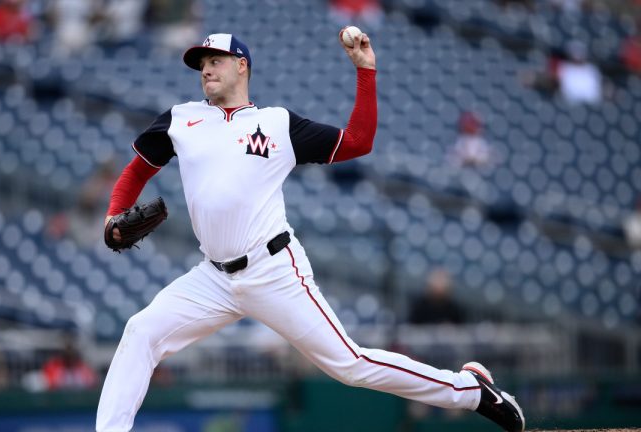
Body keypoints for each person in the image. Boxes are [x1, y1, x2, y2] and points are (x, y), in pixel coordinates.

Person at [96, 32, 524, 432]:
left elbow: (358, 141)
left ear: (241, 65)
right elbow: (136, 172)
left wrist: (365, 70)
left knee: (350, 365)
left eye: (215, 60)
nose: (206, 69)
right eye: (201, 63)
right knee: (141, 332)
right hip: (212, 278)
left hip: (273, 269)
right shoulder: (180, 119)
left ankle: (469, 390)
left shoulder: (277, 124)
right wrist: (114, 216)